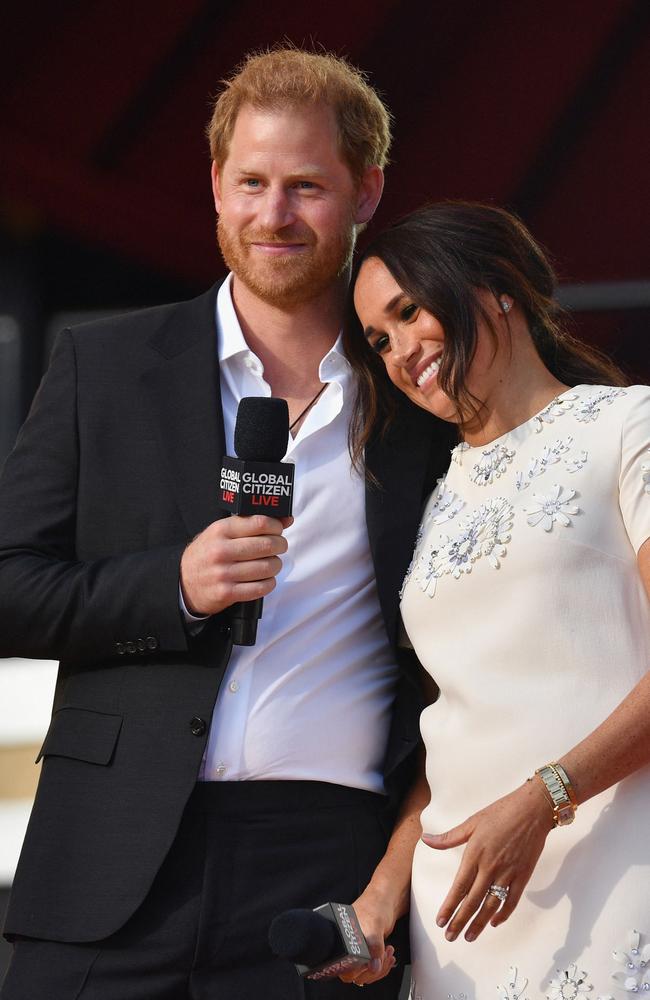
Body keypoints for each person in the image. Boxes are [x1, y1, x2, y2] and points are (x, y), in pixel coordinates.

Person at [0, 49, 455, 999]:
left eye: (306, 187)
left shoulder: (424, 403)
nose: (273, 215)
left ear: (367, 191)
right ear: (215, 185)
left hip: (325, 869)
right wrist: (172, 586)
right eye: (250, 182)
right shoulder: (105, 365)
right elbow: (10, 584)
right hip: (107, 866)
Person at [348, 201, 650, 1000]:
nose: (400, 351)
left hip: (617, 875)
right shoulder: (433, 497)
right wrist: (384, 889)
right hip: (458, 922)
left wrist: (545, 800)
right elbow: (456, 727)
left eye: (409, 312)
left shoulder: (628, 427)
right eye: (378, 340)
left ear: (496, 287)